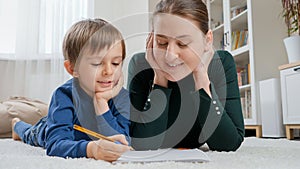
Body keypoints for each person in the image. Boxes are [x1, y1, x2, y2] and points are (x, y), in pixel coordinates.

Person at [128, 0, 244, 151]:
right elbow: (142, 144)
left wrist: (201, 78)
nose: (170, 56)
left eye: (183, 44)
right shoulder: (140, 65)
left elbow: (229, 144)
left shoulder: (221, 64)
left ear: (207, 40)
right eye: (161, 42)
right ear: (151, 39)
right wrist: (159, 80)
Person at [12, 18, 131, 162]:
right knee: (30, 134)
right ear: (73, 69)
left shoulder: (123, 97)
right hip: (47, 129)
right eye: (97, 63)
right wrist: (91, 149)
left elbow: (123, 140)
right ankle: (17, 125)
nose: (109, 71)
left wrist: (101, 104)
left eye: (116, 63)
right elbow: (55, 144)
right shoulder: (64, 95)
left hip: (81, 134)